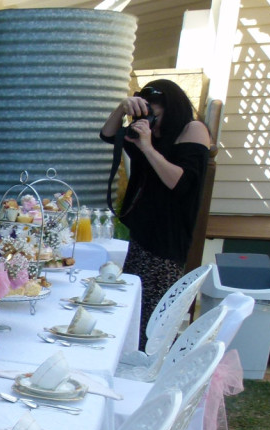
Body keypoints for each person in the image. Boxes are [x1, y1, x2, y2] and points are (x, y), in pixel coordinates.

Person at [100, 79, 211, 349]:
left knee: (153, 319)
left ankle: (149, 365)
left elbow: (179, 183)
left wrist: (147, 147)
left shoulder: (193, 129)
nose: (151, 121)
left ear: (171, 108)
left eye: (155, 115)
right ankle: (132, 361)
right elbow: (107, 134)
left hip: (166, 241)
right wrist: (122, 108)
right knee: (132, 310)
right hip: (141, 233)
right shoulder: (148, 133)